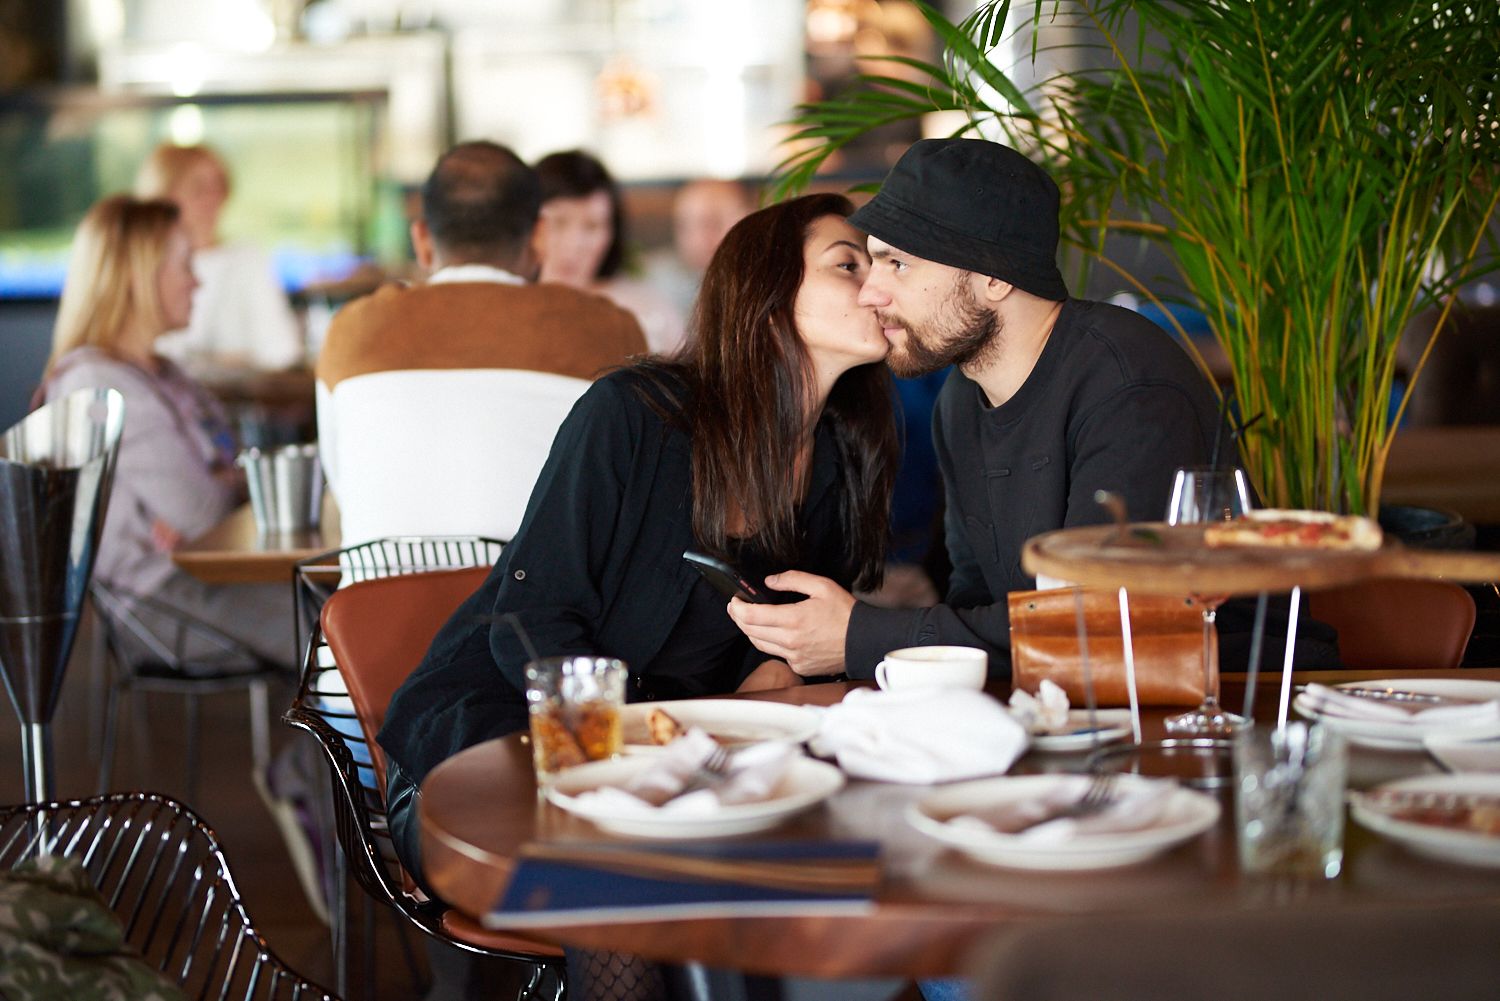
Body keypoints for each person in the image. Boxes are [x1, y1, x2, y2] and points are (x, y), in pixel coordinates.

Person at [378, 192, 897, 999]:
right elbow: (533, 614)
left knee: (817, 853)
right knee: (623, 876)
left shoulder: (838, 460)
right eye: (848, 263)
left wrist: (758, 683)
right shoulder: (633, 414)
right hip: (492, 754)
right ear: (766, 295)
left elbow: (787, 653)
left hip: (672, 759)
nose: (878, 284)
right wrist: (631, 754)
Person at [726, 137, 1232, 683]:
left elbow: (1102, 627)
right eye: (872, 261)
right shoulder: (961, 400)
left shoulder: (1127, 387)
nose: (870, 292)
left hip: (1230, 697)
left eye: (898, 264)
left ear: (994, 276)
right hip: (1056, 704)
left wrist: (860, 638)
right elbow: (975, 600)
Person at [314, 140, 648, 545]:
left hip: (382, 585)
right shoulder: (609, 329)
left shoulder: (350, 332)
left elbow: (343, 483)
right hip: (546, 586)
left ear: (422, 240)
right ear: (539, 236)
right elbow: (633, 493)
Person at [35, 195, 294, 668]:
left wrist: (217, 486)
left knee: (345, 614)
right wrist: (221, 488)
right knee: (339, 631)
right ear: (138, 276)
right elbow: (204, 512)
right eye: (185, 265)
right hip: (157, 603)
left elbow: (230, 478)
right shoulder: (98, 384)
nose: (198, 281)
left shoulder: (165, 373)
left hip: (205, 577)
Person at [134, 143, 303, 374]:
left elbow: (282, 351)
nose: (214, 198)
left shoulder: (246, 258)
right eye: (198, 188)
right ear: (165, 193)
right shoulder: (146, 264)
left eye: (220, 186)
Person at [531, 149, 687, 354]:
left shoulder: (648, 310)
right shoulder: (502, 305)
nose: (574, 244)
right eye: (559, 222)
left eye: (592, 226)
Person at [645, 177, 755, 317]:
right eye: (684, 226)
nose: (696, 240)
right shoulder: (653, 279)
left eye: (711, 223)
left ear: (746, 217)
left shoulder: (764, 287)